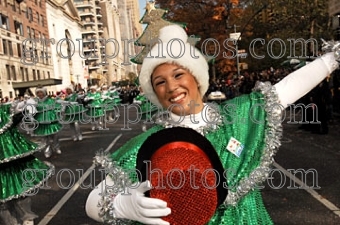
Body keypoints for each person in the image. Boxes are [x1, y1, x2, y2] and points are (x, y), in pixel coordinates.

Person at [85, 25, 340, 224]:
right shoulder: (149, 146)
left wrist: (333, 58)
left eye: (177, 74)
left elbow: (285, 90)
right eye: (160, 82)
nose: (172, 87)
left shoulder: (237, 117)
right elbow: (93, 201)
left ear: (195, 77)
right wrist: (123, 205)